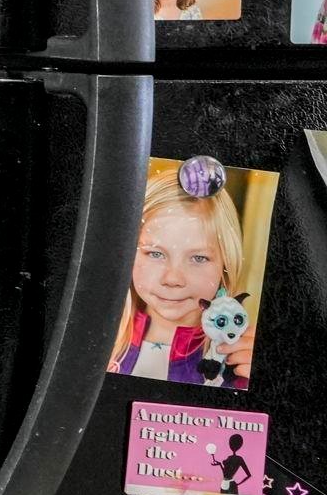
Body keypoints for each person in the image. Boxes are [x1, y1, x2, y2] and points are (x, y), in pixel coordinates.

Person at [110, 166, 256, 388]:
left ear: (225, 266)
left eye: (198, 258)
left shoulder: (238, 363)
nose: (173, 278)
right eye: (156, 254)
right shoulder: (97, 339)